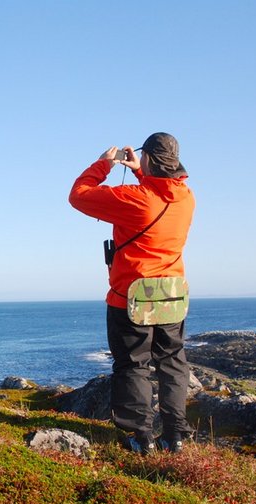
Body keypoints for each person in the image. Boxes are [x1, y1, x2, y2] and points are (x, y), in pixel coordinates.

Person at [68, 132, 195, 454]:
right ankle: (175, 435)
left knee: (132, 365)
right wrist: (141, 170)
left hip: (131, 296)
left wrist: (103, 164)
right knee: (172, 362)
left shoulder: (135, 199)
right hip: (172, 295)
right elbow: (161, 191)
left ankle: (141, 437)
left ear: (150, 158)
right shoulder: (186, 197)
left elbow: (80, 195)